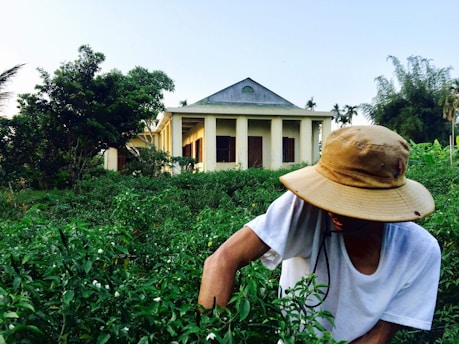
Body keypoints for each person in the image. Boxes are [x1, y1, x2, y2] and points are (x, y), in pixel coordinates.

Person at [198, 125, 441, 343]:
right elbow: (221, 261)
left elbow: (376, 338)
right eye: (332, 195)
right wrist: (215, 334)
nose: (334, 209)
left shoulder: (419, 250)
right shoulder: (303, 208)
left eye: (351, 201)